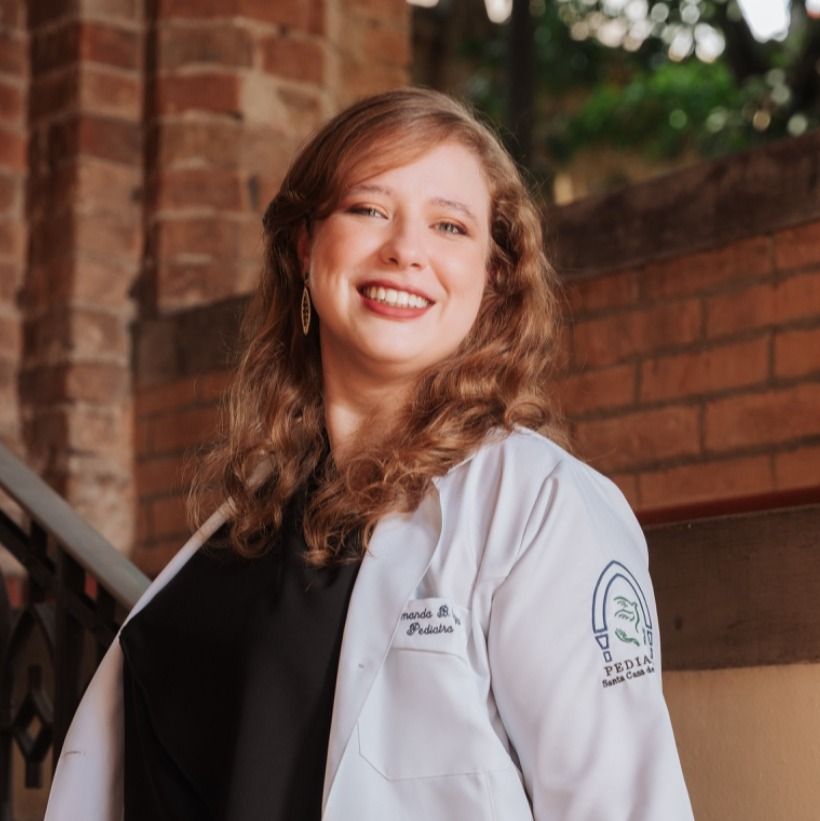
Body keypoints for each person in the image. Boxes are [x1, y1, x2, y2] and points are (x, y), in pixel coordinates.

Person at [45, 87, 693, 820]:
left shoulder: (539, 507)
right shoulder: (248, 525)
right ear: (305, 246)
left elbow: (625, 806)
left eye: (449, 225)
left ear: (491, 277)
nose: (405, 250)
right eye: (368, 209)